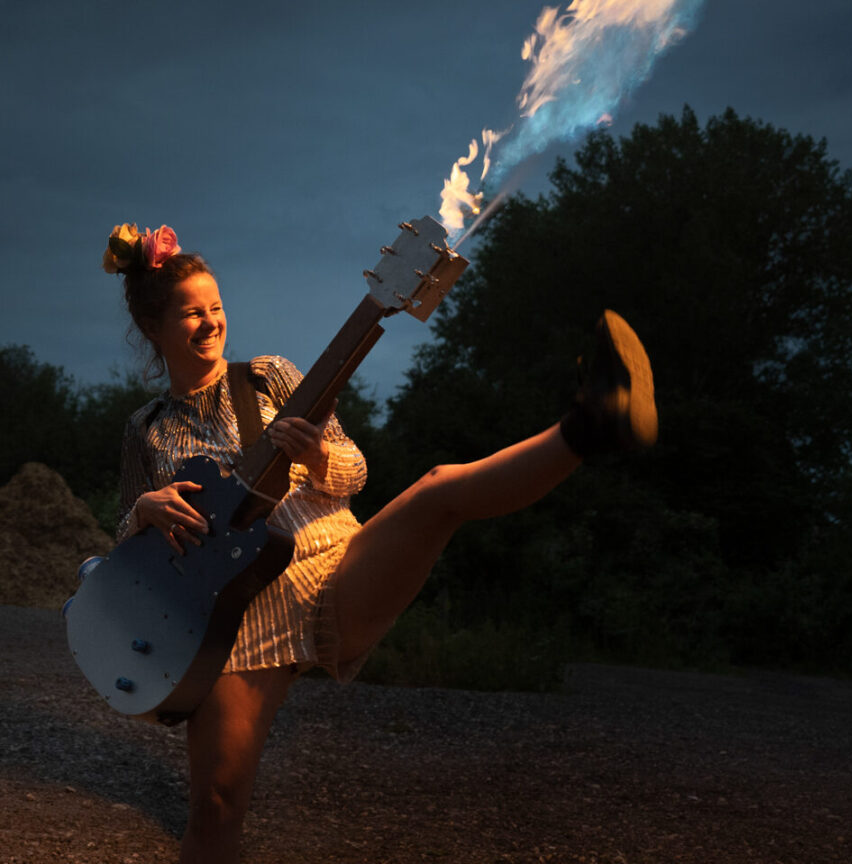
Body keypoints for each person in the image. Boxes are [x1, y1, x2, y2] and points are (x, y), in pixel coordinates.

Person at [102, 222, 656, 863]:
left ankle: (594, 422)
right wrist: (144, 510)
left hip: (330, 567)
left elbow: (355, 470)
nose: (210, 323)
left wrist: (314, 457)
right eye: (191, 313)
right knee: (217, 808)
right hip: (233, 621)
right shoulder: (146, 430)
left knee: (438, 490)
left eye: (216, 307)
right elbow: (125, 545)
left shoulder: (269, 378)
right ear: (154, 328)